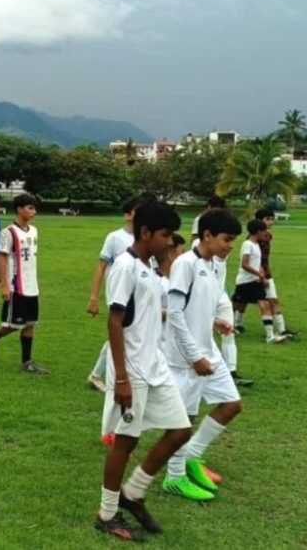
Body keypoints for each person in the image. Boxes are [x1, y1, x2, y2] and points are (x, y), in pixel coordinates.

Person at [93, 201, 188, 541]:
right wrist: (119, 377)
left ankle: (133, 492)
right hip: (133, 370)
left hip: (156, 367)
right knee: (126, 441)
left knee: (180, 431)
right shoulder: (124, 267)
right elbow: (114, 320)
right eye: (164, 235)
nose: (169, 242)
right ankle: (106, 513)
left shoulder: (149, 268)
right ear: (145, 233)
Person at [162, 208, 243, 501]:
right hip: (187, 358)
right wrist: (194, 356)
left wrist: (213, 321)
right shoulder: (186, 264)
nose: (230, 245)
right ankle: (174, 478)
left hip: (208, 352)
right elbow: (175, 313)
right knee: (184, 420)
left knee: (231, 405)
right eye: (227, 239)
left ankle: (192, 457)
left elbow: (197, 307)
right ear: (207, 235)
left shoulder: (215, 264)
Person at [0, 194, 46, 372]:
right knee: (13, 324)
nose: (34, 212)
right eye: (30, 208)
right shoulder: (8, 232)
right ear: (19, 209)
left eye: (34, 208)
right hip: (17, 286)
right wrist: (5, 285)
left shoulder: (34, 231)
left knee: (30, 323)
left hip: (32, 286)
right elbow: (2, 258)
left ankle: (27, 363)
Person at [86, 196, 142, 391]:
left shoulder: (144, 237)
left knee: (127, 332)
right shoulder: (115, 237)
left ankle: (100, 374)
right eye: (137, 212)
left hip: (139, 292)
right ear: (127, 215)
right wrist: (94, 297)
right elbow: (101, 267)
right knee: (120, 330)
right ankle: (98, 374)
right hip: (119, 292)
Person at [233, 208, 297, 340]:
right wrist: (260, 275)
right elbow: (247, 261)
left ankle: (281, 330)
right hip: (256, 275)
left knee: (271, 300)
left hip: (263, 274)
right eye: (268, 219)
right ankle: (235, 324)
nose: (271, 222)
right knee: (241, 302)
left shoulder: (266, 237)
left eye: (272, 219)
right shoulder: (251, 241)